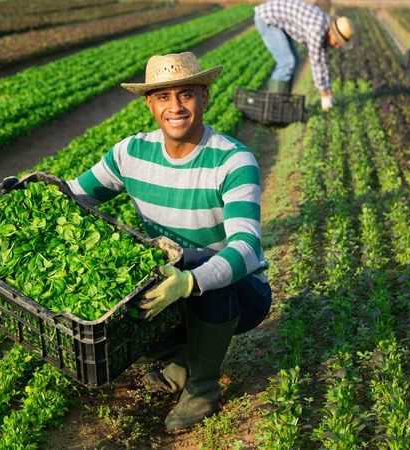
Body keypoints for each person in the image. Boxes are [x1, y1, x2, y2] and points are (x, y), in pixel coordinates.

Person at [66, 52, 272, 431]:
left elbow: (245, 247)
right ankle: (181, 358)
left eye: (186, 94)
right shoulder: (130, 154)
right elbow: (76, 195)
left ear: (205, 98)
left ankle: (202, 388)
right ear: (150, 103)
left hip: (241, 292)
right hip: (169, 273)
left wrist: (189, 283)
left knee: (200, 267)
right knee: (120, 274)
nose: (175, 107)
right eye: (163, 96)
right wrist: (29, 192)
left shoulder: (232, 160)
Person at [254, 0, 355, 112]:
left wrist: (328, 91)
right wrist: (324, 95)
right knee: (287, 62)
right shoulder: (317, 30)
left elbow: (323, 61)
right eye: (337, 42)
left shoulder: (325, 27)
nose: (337, 46)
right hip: (267, 19)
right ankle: (273, 108)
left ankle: (282, 104)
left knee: (295, 61)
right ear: (332, 32)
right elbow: (316, 62)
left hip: (276, 19)